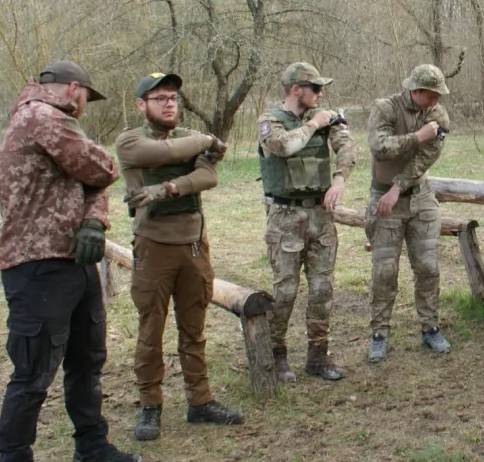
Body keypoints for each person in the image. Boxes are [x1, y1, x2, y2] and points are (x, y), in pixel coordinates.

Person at [0, 61, 140, 462]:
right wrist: (100, 175)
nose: (86, 105)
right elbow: (104, 168)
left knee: (86, 362)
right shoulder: (41, 116)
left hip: (74, 260)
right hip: (37, 266)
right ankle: (14, 456)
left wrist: (93, 222)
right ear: (74, 89)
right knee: (33, 374)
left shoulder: (52, 121)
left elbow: (93, 184)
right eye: (87, 97)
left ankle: (92, 447)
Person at [115, 72, 244, 441]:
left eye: (173, 98)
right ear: (141, 105)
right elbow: (162, 153)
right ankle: (150, 405)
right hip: (153, 245)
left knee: (194, 328)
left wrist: (168, 187)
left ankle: (200, 401)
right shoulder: (130, 140)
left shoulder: (188, 137)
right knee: (151, 329)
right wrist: (205, 141)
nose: (169, 104)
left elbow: (208, 177)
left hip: (193, 245)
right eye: (160, 98)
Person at [256, 63, 357, 382]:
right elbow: (283, 147)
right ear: (296, 89)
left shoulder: (328, 118)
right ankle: (276, 354)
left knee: (322, 288)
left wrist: (340, 178)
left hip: (320, 216)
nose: (320, 93)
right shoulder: (270, 121)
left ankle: (318, 355)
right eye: (315, 88)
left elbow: (347, 147)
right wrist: (314, 124)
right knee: (285, 290)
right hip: (285, 216)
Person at [365, 64, 452, 362]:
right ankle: (379, 334)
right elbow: (379, 148)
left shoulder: (437, 114)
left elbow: (427, 157)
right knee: (384, 271)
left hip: (419, 197)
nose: (437, 99)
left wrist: (399, 186)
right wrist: (417, 136)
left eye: (439, 94)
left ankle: (430, 328)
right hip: (384, 199)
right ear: (416, 90)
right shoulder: (386, 109)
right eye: (432, 94)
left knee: (428, 268)